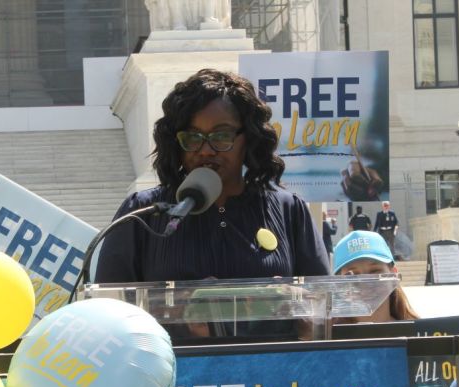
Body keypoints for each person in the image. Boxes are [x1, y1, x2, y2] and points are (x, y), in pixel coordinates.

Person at [95, 69, 329, 283]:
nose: (206, 150)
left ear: (248, 138)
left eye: (221, 135)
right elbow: (110, 310)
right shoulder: (143, 214)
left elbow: (322, 305)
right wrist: (177, 312)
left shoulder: (289, 209)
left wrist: (292, 305)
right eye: (193, 137)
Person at [332, 230, 418, 323]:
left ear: (394, 275)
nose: (365, 284)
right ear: (339, 284)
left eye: (374, 271)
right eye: (353, 275)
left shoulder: (420, 333)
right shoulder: (327, 335)